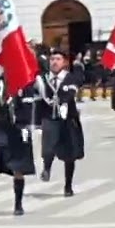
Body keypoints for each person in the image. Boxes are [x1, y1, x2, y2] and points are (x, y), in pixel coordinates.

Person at [0, 75, 38, 215]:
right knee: (0, 154)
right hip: (1, 125)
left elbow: (29, 107)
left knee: (18, 167)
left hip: (19, 127)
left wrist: (26, 126)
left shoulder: (25, 85)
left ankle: (18, 204)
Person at [37, 48, 85, 196]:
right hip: (49, 117)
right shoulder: (43, 79)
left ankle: (68, 186)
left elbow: (71, 92)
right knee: (48, 145)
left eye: (58, 59)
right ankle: (47, 168)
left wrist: (63, 102)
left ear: (64, 62)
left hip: (68, 119)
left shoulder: (70, 78)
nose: (55, 62)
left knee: (69, 155)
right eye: (52, 59)